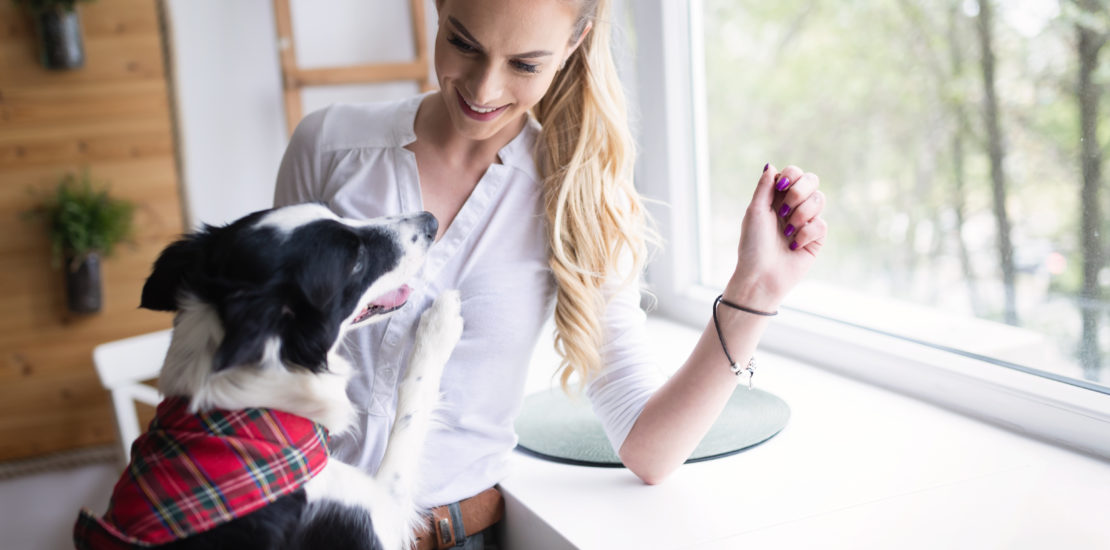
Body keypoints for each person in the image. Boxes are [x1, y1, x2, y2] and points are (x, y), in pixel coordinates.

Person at [273, 0, 827, 547]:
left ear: (574, 42)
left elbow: (649, 447)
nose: (483, 89)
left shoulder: (576, 197)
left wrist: (755, 289)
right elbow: (266, 368)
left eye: (525, 64)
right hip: (289, 528)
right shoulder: (328, 147)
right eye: (463, 43)